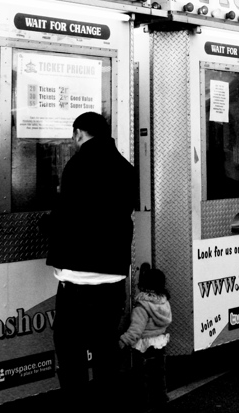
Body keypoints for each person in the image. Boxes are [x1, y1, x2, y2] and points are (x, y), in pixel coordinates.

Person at [47, 112, 139, 405]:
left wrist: (45, 225)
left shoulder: (77, 165)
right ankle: (108, 404)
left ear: (79, 133)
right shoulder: (126, 168)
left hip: (77, 279)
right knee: (105, 348)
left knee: (70, 349)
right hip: (113, 277)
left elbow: (66, 215)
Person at [120, 263, 173, 409]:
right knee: (159, 374)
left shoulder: (142, 306)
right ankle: (161, 398)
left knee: (143, 376)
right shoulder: (164, 301)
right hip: (160, 343)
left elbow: (136, 331)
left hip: (144, 347)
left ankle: (144, 403)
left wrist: (123, 341)